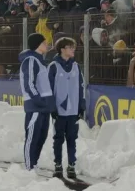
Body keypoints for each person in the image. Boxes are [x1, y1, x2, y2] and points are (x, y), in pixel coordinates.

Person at [48, 37, 86, 180]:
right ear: (62, 49)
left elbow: (81, 86)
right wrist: (52, 108)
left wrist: (81, 106)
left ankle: (71, 165)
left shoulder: (76, 66)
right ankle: (58, 165)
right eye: (70, 47)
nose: (73, 49)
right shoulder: (53, 66)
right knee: (58, 139)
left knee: (72, 139)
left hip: (73, 111)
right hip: (59, 111)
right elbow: (49, 90)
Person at [19, 32, 55, 171]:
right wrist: (39, 100)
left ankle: (34, 163)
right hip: (35, 106)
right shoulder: (30, 61)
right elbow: (29, 84)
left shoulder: (40, 61)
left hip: (44, 107)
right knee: (32, 137)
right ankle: (29, 166)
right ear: (37, 45)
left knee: (42, 136)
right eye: (44, 42)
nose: (46, 44)